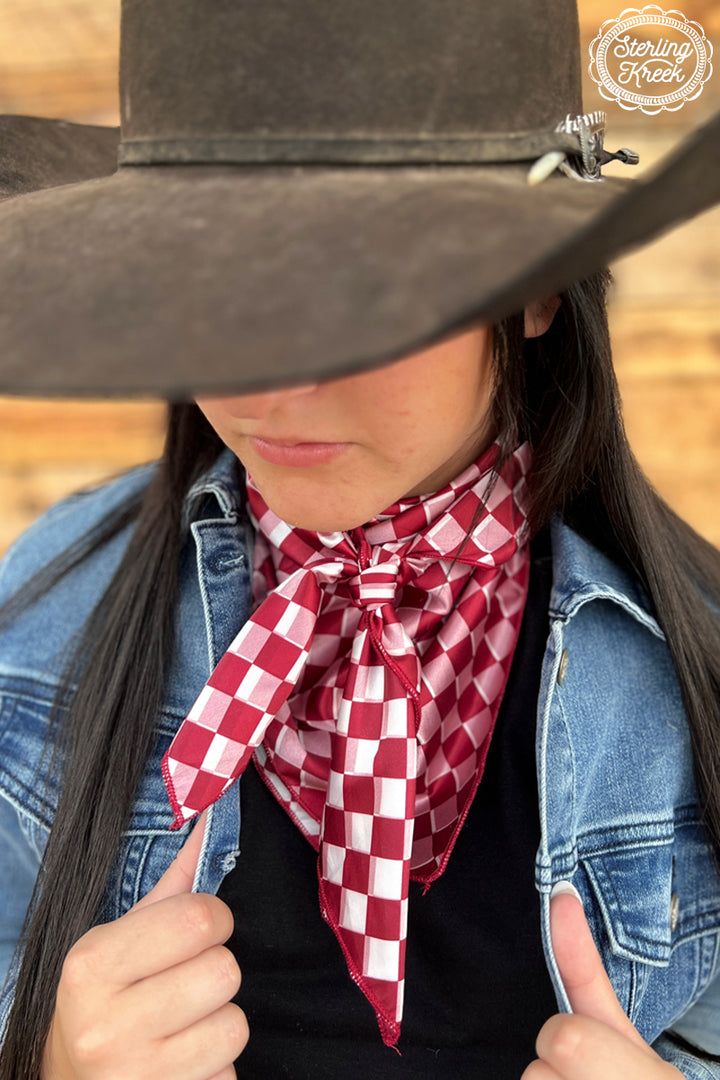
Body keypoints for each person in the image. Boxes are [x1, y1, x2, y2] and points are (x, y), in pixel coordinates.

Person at [0, 1, 720, 1079]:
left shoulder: (695, 664)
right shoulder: (44, 618)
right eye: (212, 288)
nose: (272, 385)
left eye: (362, 296)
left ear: (536, 286)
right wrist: (43, 1060)